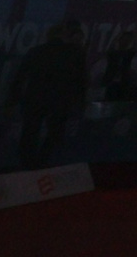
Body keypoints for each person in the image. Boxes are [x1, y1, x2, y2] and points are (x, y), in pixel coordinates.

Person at [14, 19, 90, 168]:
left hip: (35, 97)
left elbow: (20, 77)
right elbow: (80, 80)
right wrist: (80, 100)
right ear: (64, 35)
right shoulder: (74, 53)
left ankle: (27, 164)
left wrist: (13, 100)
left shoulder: (36, 51)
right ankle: (43, 161)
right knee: (55, 133)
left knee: (30, 133)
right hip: (60, 99)